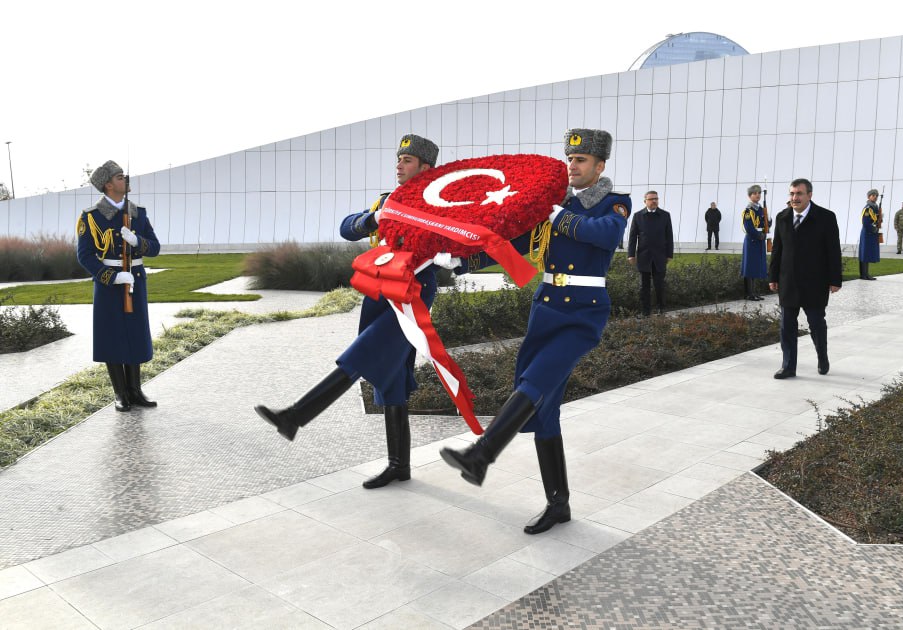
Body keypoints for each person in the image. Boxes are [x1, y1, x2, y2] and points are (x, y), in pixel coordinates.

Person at [439, 128, 629, 535]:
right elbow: (519, 242)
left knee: (534, 381)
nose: (572, 166)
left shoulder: (614, 204)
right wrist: (462, 263)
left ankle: (483, 454)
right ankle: (558, 504)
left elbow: (606, 236)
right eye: (570, 159)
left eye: (580, 160)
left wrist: (558, 214)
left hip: (583, 314)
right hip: (545, 310)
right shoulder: (556, 206)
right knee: (545, 413)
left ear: (600, 166)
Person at [255, 134, 446, 490]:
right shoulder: (388, 200)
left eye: (407, 161)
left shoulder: (439, 203)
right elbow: (347, 228)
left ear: (426, 168)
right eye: (398, 159)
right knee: (392, 376)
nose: (399, 166)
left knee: (364, 354)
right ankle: (398, 465)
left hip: (412, 292)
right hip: (379, 287)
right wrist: (374, 217)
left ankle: (296, 416)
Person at [76, 160, 161, 411]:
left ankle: (135, 390)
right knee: (111, 336)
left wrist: (137, 241)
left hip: (135, 280)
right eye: (120, 177)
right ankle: (120, 393)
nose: (126, 180)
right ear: (107, 184)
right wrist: (111, 277)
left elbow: (155, 247)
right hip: (109, 284)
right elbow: (85, 255)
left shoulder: (139, 213)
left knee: (134, 334)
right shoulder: (91, 217)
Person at [768, 178, 842, 379]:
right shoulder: (782, 217)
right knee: (786, 327)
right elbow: (777, 250)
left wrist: (835, 279)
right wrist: (773, 276)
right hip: (788, 282)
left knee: (817, 324)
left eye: (799, 193)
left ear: (809, 195)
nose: (795, 198)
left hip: (815, 282)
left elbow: (833, 250)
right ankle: (788, 366)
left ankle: (822, 358)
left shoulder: (826, 217)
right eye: (792, 194)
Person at [627, 191, 674, 316]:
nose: (654, 201)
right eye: (651, 199)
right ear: (645, 201)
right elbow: (633, 237)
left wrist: (669, 254)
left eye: (656, 198)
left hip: (660, 256)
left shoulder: (665, 215)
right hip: (644, 256)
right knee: (644, 286)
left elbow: (669, 236)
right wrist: (631, 254)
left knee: (659, 284)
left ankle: (661, 309)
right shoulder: (638, 216)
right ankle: (645, 311)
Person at [740, 185, 767, 301]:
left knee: (756, 266)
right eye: (755, 193)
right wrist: (758, 235)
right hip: (752, 240)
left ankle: (754, 292)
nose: (758, 195)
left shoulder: (760, 209)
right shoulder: (748, 210)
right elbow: (749, 227)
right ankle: (749, 293)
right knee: (749, 266)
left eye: (759, 193)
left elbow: (763, 223)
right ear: (750, 195)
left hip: (760, 239)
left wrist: (767, 223)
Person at [858, 188, 881, 280]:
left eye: (876, 196)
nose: (875, 197)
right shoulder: (868, 208)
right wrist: (874, 229)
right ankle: (864, 275)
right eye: (873, 195)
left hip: (871, 232)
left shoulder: (874, 207)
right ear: (869, 197)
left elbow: (874, 219)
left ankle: (866, 274)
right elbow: (866, 222)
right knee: (865, 253)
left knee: (867, 253)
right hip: (868, 232)